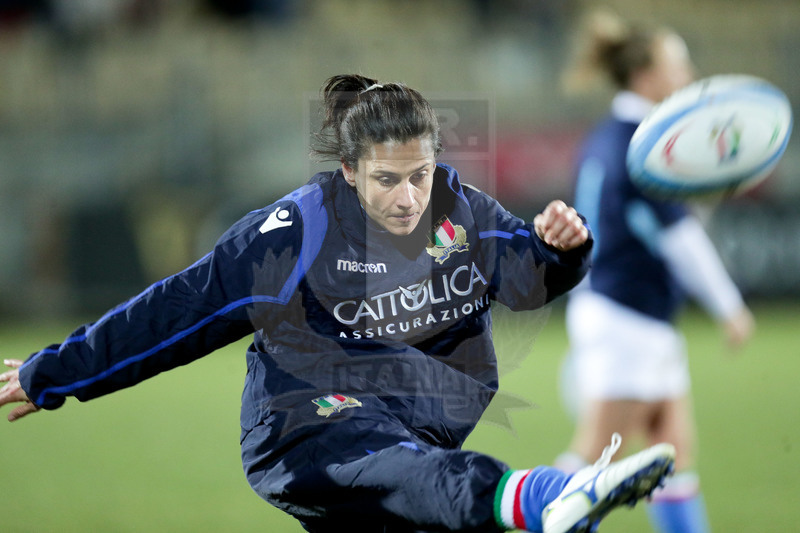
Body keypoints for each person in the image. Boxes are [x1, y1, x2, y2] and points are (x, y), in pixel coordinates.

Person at [1, 73, 676, 533]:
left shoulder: (460, 211)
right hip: (305, 432)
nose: (409, 197)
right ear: (350, 171)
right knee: (422, 473)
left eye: (419, 174)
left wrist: (563, 249)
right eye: (387, 179)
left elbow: (529, 276)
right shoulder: (294, 234)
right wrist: (53, 373)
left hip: (418, 426)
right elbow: (176, 312)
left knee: (418, 475)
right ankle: (547, 495)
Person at [555, 10, 755, 533]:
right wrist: (730, 307)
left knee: (672, 457)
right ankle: (532, 514)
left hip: (629, 316)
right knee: (593, 461)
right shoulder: (643, 148)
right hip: (626, 321)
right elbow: (680, 240)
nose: (687, 77)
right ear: (647, 78)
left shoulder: (613, 136)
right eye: (678, 66)